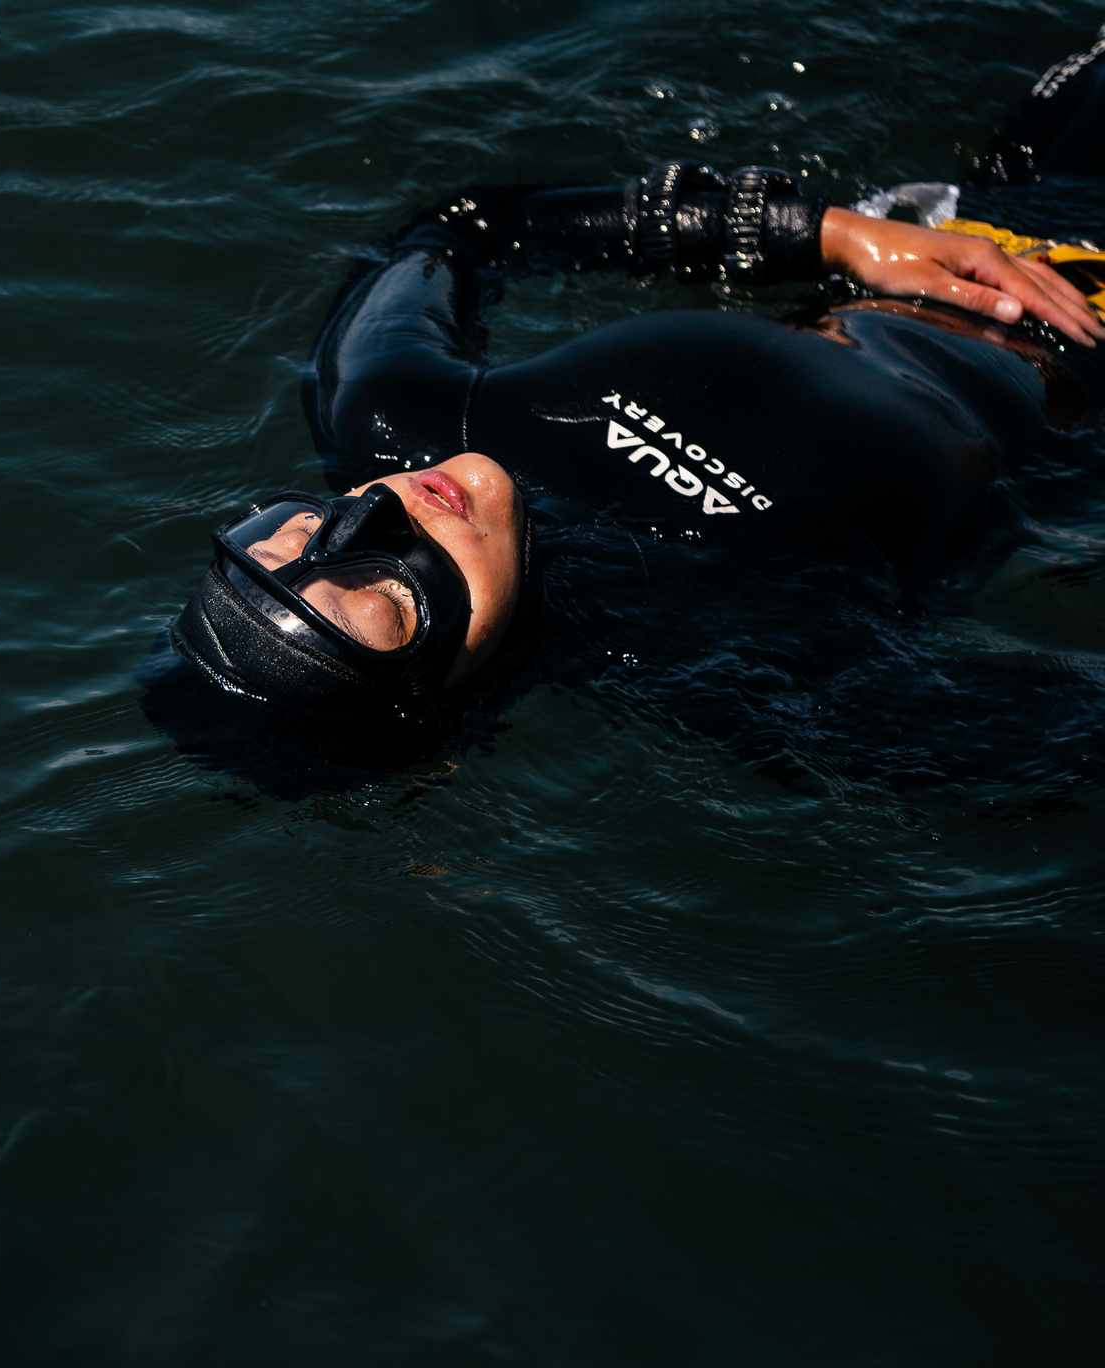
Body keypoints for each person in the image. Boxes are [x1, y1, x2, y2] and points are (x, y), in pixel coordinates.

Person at [152, 26, 1105, 794]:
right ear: (440, 713)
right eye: (386, 600)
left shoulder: (400, 416)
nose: (377, 510)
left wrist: (823, 233)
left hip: (992, 219)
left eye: (294, 531)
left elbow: (464, 235)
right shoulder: (737, 663)